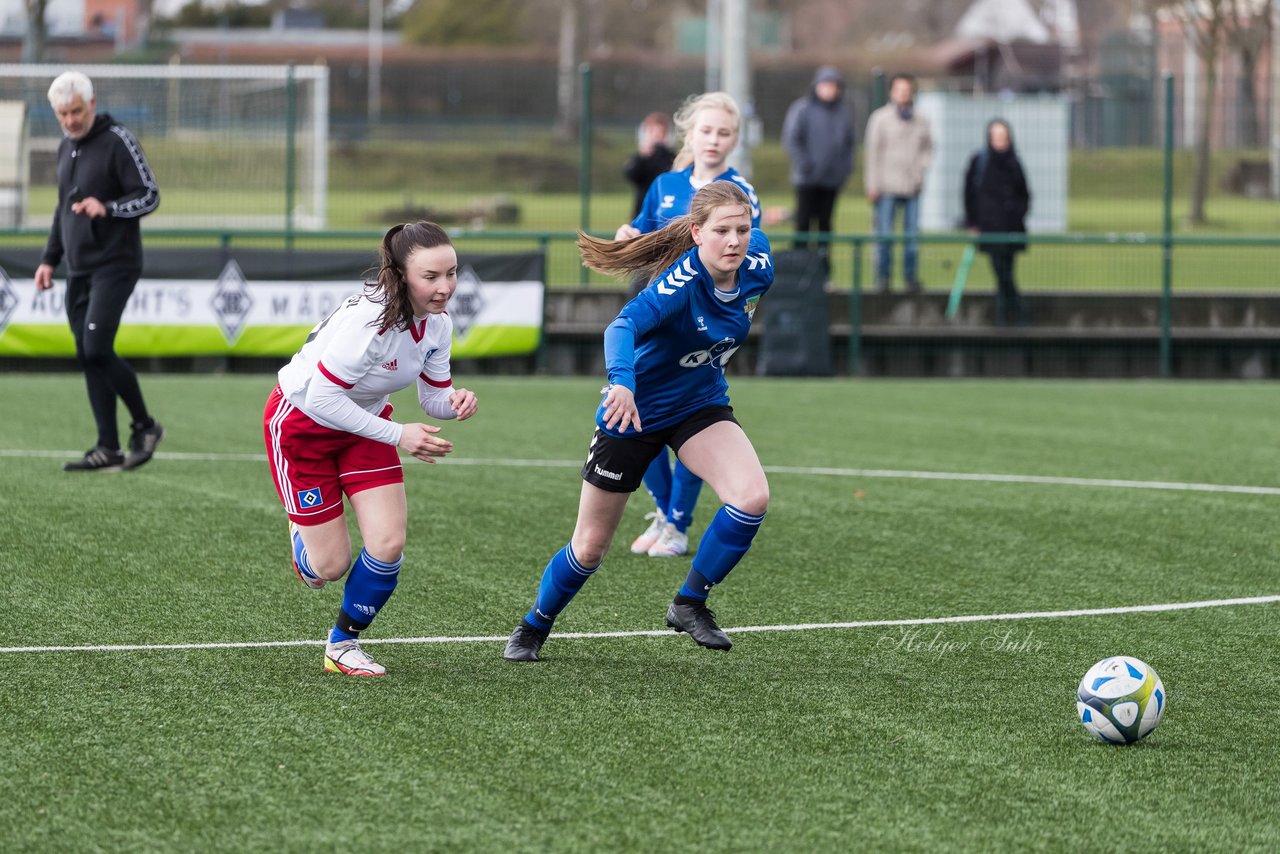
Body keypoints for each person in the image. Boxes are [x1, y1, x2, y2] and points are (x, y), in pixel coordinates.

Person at [503, 181, 772, 662]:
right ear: (696, 234)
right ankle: (533, 625)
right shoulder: (679, 285)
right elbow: (621, 326)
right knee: (589, 548)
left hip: (699, 405)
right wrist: (622, 382)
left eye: (743, 229)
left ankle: (689, 603)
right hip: (634, 412)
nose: (735, 241)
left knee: (751, 498)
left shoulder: (758, 266)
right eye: (722, 231)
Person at [263, 221, 479, 677]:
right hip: (302, 425)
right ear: (400, 276)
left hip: (364, 425)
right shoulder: (370, 322)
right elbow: (322, 399)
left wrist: (455, 401)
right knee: (328, 568)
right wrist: (400, 435)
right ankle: (304, 534)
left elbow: (432, 398)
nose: (445, 288)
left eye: (452, 273)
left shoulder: (437, 324)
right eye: (431, 277)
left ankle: (342, 645)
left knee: (388, 542)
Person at [614, 91, 761, 560]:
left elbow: (752, 254)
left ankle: (677, 524)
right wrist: (628, 236)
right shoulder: (666, 184)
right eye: (706, 130)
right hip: (661, 313)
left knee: (694, 414)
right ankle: (665, 511)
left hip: (702, 323)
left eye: (724, 132)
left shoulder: (740, 192)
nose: (714, 140)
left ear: (735, 139)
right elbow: (644, 229)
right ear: (689, 134)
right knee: (640, 410)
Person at [34, 70, 164, 472]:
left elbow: (149, 195)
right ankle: (107, 447)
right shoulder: (63, 148)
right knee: (87, 355)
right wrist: (49, 259)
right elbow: (62, 211)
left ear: (91, 104)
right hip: (78, 268)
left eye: (76, 111)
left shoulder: (117, 139)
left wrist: (106, 207)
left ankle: (145, 425)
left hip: (116, 264)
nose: (71, 120)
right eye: (63, 114)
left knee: (96, 348)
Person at [863, 73, 933, 293]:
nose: (903, 94)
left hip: (912, 187)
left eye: (907, 90)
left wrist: (920, 170)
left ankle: (911, 278)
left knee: (912, 237)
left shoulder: (921, 119)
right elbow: (872, 154)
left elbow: (928, 148)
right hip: (886, 187)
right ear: (892, 92)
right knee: (884, 236)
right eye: (899, 89)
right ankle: (883, 279)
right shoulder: (880, 118)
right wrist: (872, 185)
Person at [963, 119, 1031, 326]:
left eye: (1003, 137)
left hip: (1011, 227)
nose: (1000, 141)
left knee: (1006, 272)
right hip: (989, 227)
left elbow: (1024, 194)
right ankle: (1016, 315)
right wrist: (973, 222)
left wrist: (1018, 213)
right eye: (996, 137)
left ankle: (1007, 318)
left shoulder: (1015, 163)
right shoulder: (980, 162)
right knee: (1002, 272)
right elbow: (969, 194)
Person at [781, 65, 856, 251]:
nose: (829, 89)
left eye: (833, 85)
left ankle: (823, 269)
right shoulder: (802, 109)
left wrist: (844, 169)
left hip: (831, 180)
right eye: (825, 85)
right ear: (816, 86)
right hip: (807, 179)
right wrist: (805, 164)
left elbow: (849, 144)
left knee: (825, 224)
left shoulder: (843, 113)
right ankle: (800, 266)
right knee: (803, 223)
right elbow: (791, 139)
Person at [623, 112, 676, 219]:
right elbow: (631, 175)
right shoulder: (641, 157)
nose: (656, 136)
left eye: (660, 132)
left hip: (664, 211)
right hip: (641, 211)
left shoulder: (672, 158)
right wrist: (643, 156)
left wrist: (662, 153)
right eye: (652, 132)